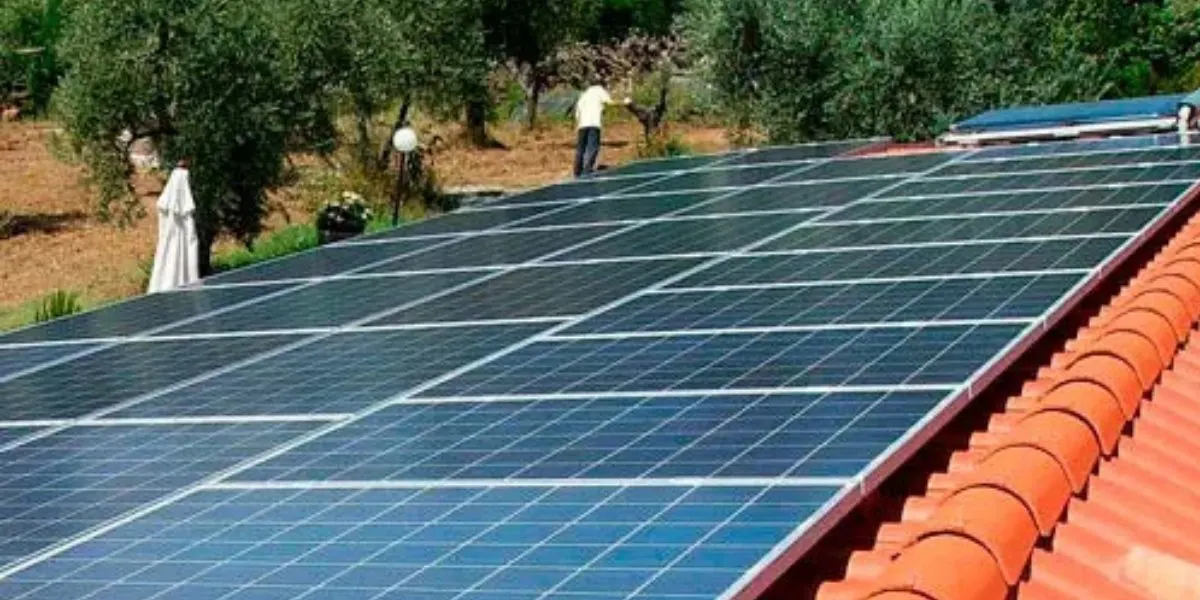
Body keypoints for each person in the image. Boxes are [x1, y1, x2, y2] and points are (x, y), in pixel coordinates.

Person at [573, 79, 630, 177]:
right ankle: (587, 170)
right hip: (594, 124)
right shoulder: (599, 90)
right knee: (593, 147)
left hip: (582, 125)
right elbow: (610, 102)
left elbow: (577, 114)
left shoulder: (583, 95)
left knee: (580, 149)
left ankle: (577, 171)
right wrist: (624, 102)